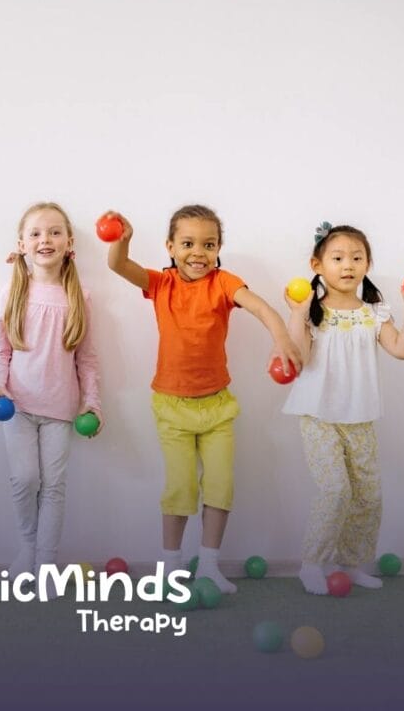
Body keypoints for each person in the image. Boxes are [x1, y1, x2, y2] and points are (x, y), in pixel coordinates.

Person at [107, 204, 301, 594]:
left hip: (217, 407)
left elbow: (261, 307)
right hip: (172, 406)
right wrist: (122, 241)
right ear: (170, 247)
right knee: (180, 488)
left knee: (220, 486)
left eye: (209, 245)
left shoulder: (224, 283)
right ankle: (171, 566)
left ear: (218, 249)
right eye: (188, 243)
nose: (198, 252)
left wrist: (282, 338)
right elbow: (118, 265)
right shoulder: (160, 283)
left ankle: (209, 565)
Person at [283, 223, 404, 594]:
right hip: (318, 415)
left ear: (368, 264)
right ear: (317, 265)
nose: (347, 265)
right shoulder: (313, 312)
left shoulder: (374, 313)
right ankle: (312, 564)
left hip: (360, 417)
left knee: (368, 495)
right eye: (337, 258)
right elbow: (299, 358)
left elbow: (402, 349)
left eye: (356, 257)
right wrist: (297, 313)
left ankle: (350, 564)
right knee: (335, 491)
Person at [0, 202, 101, 590]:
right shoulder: (12, 291)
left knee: (54, 485)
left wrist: (92, 401)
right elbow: (1, 350)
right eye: (35, 233)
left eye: (54, 232)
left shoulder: (79, 296)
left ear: (69, 243)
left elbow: (87, 358)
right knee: (24, 479)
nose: (45, 239)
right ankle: (27, 548)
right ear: (22, 244)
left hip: (60, 409)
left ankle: (47, 563)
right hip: (17, 406)